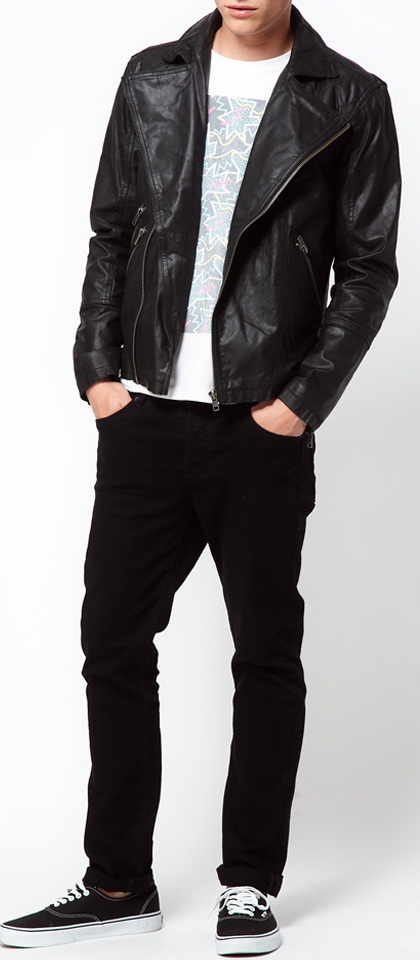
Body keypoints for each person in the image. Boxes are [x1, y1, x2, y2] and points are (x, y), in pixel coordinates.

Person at [1, 0, 400, 955]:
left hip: (259, 422)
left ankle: (250, 884)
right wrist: (97, 373)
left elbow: (368, 269)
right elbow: (110, 231)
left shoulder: (350, 96)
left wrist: (298, 404)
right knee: (111, 641)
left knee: (264, 654)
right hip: (143, 413)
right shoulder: (153, 75)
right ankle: (117, 882)